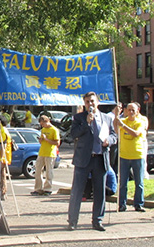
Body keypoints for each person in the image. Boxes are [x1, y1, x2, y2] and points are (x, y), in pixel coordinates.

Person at [67, 91, 118, 231]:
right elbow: (74, 134)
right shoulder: (79, 118)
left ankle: (97, 220)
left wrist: (110, 140)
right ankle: (72, 220)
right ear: (84, 104)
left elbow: (114, 135)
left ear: (98, 102)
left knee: (99, 192)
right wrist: (86, 123)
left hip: (100, 158)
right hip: (83, 159)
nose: (90, 104)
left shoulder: (106, 118)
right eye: (88, 102)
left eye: (92, 101)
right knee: (77, 191)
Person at [114, 102, 147, 212]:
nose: (131, 112)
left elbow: (136, 133)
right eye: (129, 110)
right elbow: (116, 129)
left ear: (137, 111)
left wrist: (123, 126)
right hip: (124, 156)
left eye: (133, 110)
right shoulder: (122, 121)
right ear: (126, 111)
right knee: (123, 182)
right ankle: (122, 204)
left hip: (137, 155)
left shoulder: (140, 122)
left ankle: (138, 204)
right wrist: (116, 116)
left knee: (139, 182)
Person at [32, 115, 60, 196]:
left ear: (47, 121)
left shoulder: (54, 130)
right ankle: (38, 189)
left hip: (50, 153)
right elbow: (41, 141)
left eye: (43, 124)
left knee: (49, 172)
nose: (42, 126)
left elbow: (57, 143)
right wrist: (41, 140)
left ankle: (48, 189)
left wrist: (47, 139)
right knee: (37, 170)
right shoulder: (43, 130)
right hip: (42, 152)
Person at [0, 115, 12, 201]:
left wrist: (0, 156)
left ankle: (2, 193)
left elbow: (3, 145)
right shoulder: (6, 131)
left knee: (1, 175)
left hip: (2, 156)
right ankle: (3, 193)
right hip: (5, 155)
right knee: (2, 174)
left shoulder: (3, 131)